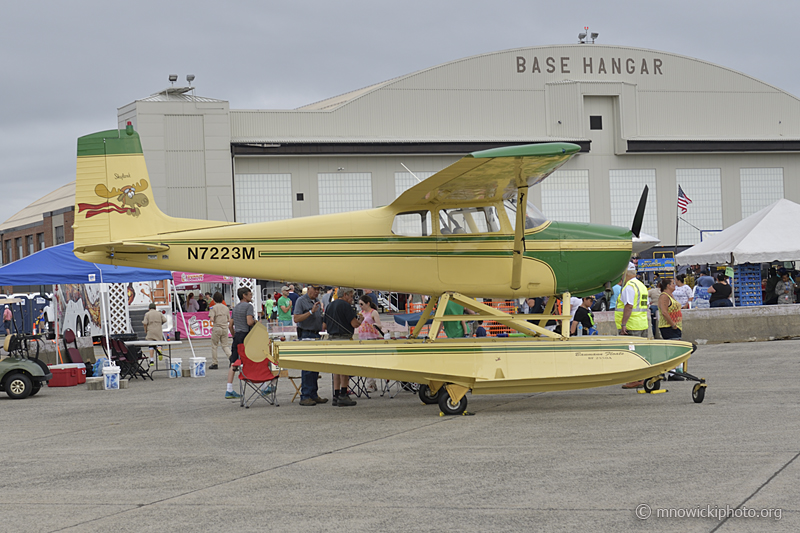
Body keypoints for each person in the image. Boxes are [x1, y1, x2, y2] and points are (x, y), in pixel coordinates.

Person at [322, 287, 362, 406]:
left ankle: (336, 395)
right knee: (345, 368)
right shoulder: (345, 306)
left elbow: (324, 325)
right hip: (344, 338)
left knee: (336, 369)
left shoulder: (329, 305)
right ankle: (344, 394)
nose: (351, 299)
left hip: (332, 339)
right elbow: (354, 324)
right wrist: (360, 320)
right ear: (345, 295)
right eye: (351, 296)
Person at [616, 262, 650, 389]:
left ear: (625, 274)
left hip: (631, 326)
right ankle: (642, 377)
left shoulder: (629, 286)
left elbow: (629, 305)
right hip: (641, 324)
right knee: (641, 353)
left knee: (632, 353)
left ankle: (636, 379)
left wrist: (623, 324)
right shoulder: (641, 286)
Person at [293, 285, 328, 406]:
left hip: (316, 334)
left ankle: (313, 394)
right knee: (308, 367)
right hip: (306, 334)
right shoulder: (301, 301)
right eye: (315, 289)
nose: (317, 292)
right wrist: (310, 312)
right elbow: (296, 318)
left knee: (315, 367)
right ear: (308, 289)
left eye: (319, 290)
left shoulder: (316, 302)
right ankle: (305, 395)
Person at [224, 287, 256, 399]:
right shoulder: (249, 307)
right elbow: (249, 321)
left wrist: (234, 335)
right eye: (250, 294)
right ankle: (264, 386)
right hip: (246, 336)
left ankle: (229, 389)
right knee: (253, 359)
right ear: (244, 295)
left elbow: (230, 325)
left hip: (237, 335)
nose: (251, 296)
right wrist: (255, 322)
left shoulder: (236, 308)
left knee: (234, 362)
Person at [657, 277, 686, 380]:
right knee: (672, 350)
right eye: (673, 283)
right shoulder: (664, 296)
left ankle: (674, 371)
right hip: (668, 326)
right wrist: (672, 324)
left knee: (675, 350)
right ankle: (671, 373)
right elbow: (664, 312)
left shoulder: (671, 295)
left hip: (676, 326)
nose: (675, 285)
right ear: (668, 286)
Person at [356, 294, 383, 392]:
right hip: (362, 338)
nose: (361, 306)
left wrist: (374, 325)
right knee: (366, 361)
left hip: (371, 338)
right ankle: (371, 382)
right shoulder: (361, 313)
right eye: (359, 304)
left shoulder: (373, 312)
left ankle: (371, 383)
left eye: (362, 304)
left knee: (371, 360)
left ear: (368, 303)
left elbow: (379, 325)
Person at [208, 292, 230, 370]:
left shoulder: (213, 308)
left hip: (217, 328)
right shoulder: (226, 308)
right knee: (225, 345)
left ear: (214, 299)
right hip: (224, 328)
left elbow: (211, 319)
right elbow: (228, 319)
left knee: (214, 345)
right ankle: (231, 358)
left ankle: (215, 363)